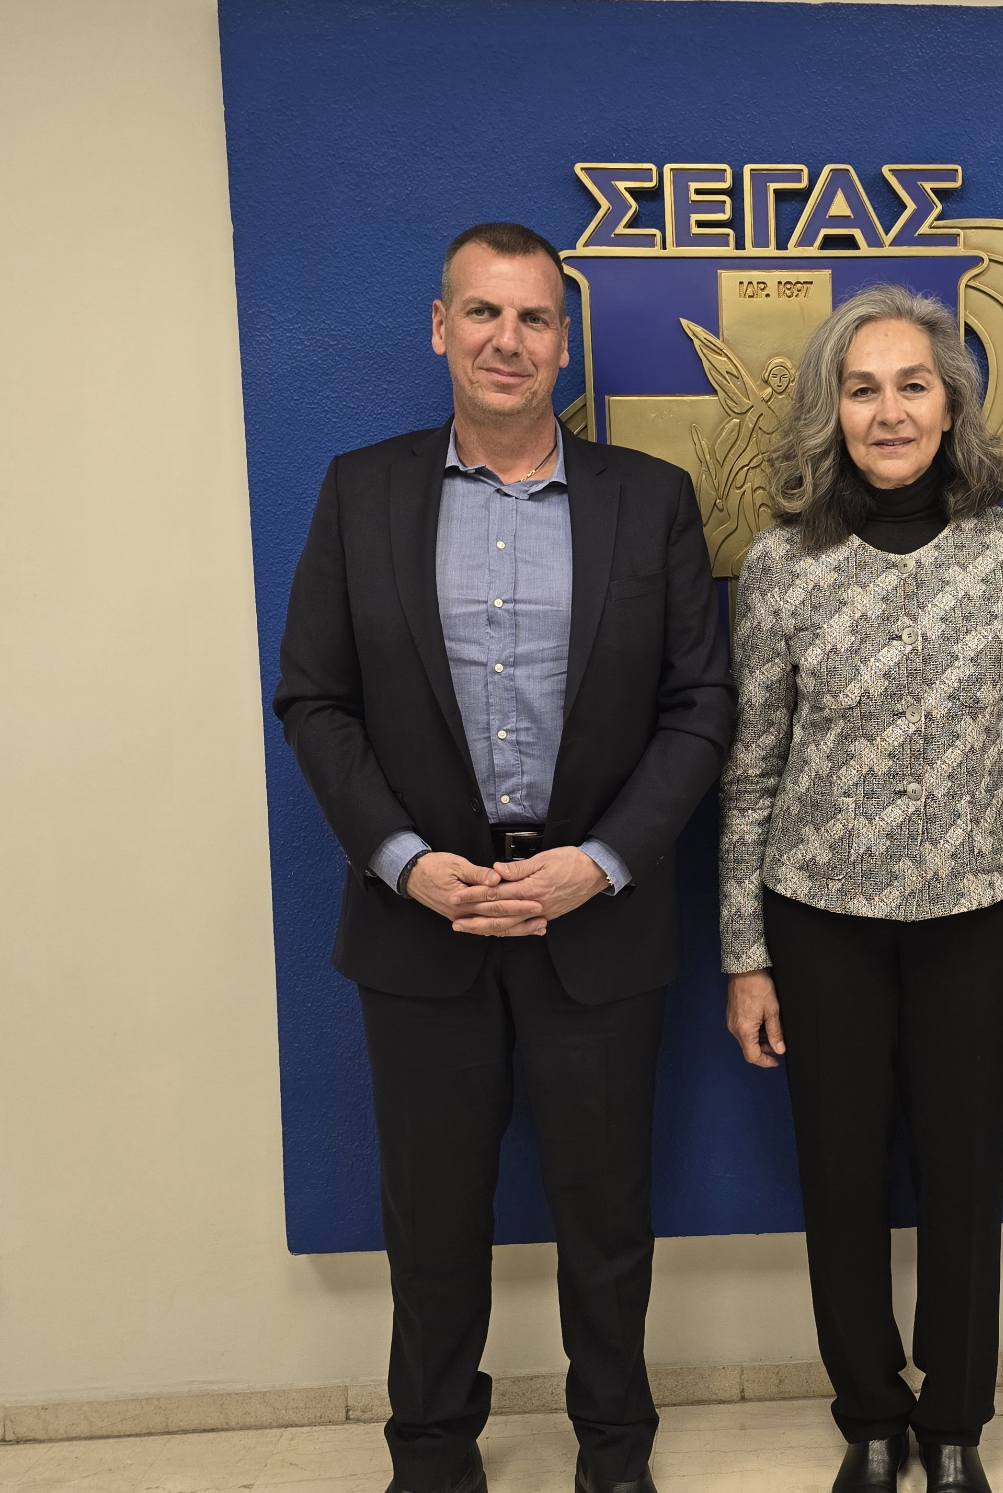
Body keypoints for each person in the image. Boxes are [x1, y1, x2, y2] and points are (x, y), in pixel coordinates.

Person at [274, 222, 734, 1493]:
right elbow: (314, 698)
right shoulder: (360, 491)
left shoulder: (650, 498)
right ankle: (430, 1455)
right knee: (430, 1223)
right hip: (423, 917)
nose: (506, 340)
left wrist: (604, 859)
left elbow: (701, 704)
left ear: (564, 344)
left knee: (606, 1217)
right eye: (482, 312)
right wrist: (403, 859)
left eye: (533, 318)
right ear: (441, 328)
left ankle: (615, 1455)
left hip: (596, 916)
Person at [719, 284, 1003, 1493]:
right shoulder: (780, 565)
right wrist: (744, 953)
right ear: (831, 410)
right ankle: (870, 1416)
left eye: (912, 385)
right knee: (839, 1176)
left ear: (951, 404)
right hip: (817, 921)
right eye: (861, 388)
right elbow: (750, 769)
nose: (888, 411)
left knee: (966, 1178)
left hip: (978, 918)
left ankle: (956, 1421)